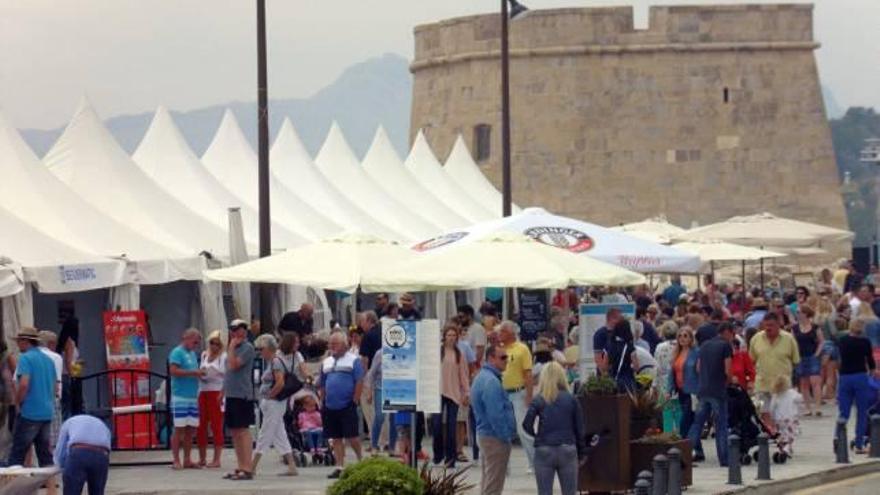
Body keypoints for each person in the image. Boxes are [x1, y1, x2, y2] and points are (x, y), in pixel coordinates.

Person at [522, 362, 586, 495]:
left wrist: (537, 436)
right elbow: (579, 429)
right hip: (567, 448)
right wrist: (582, 452)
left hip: (544, 449)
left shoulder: (539, 399)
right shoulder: (571, 399)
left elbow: (526, 424)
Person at [470, 345, 517, 495]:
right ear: (491, 358)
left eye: (507, 357)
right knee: (494, 486)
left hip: (486, 435)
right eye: (502, 357)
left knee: (489, 481)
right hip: (494, 438)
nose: (506, 361)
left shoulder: (483, 377)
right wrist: (505, 437)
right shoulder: (491, 382)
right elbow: (496, 415)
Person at [7, 327, 56, 467]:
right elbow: (54, 387)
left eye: (18, 341)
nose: (17, 345)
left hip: (30, 412)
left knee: (17, 455)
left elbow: (24, 384)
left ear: (25, 341)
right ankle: (51, 489)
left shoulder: (26, 358)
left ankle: (14, 489)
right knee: (45, 456)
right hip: (46, 412)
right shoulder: (48, 360)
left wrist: (17, 402)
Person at [318, 331, 364, 479]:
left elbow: (359, 381)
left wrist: (355, 399)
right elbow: (323, 382)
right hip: (330, 405)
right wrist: (322, 400)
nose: (332, 347)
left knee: (352, 436)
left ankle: (360, 460)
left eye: (335, 344)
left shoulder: (353, 360)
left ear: (345, 345)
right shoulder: (326, 362)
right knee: (336, 438)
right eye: (330, 344)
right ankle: (339, 466)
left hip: (347, 404)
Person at [251, 334, 298, 476]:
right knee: (279, 434)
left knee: (265, 433)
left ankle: (252, 466)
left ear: (267, 348)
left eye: (261, 348)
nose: (260, 352)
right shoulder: (273, 361)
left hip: (274, 403)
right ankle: (292, 466)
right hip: (273, 403)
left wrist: (270, 395)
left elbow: (280, 382)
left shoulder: (275, 361)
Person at [688, 322, 733, 466]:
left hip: (703, 390)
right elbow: (728, 370)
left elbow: (698, 367)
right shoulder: (725, 346)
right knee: (721, 425)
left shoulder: (705, 345)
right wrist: (729, 382)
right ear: (727, 332)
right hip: (718, 390)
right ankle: (724, 459)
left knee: (697, 424)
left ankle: (685, 453)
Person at [749, 313, 800, 430]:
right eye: (765, 325)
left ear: (778, 325)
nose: (768, 328)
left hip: (782, 385)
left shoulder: (789, 339)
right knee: (764, 412)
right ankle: (773, 433)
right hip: (762, 383)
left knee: (783, 416)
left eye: (771, 325)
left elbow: (796, 360)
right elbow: (751, 360)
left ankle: (783, 438)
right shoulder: (756, 339)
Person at [497, 320, 535, 472]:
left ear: (511, 333)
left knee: (523, 430)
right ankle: (504, 465)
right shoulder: (498, 350)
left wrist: (529, 395)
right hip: (501, 394)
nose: (499, 334)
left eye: (502, 332)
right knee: (502, 430)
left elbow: (528, 373)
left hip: (518, 393)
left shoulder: (522, 349)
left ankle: (533, 462)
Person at [836, 318, 878, 454]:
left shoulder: (842, 341)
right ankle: (859, 443)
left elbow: (839, 359)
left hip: (845, 377)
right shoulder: (865, 342)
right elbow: (870, 361)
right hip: (860, 376)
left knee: (844, 412)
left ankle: (838, 438)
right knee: (861, 412)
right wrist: (872, 373)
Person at [432, 325, 471, 468]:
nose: (451, 338)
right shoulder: (437, 351)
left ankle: (451, 458)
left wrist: (467, 392)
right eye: (449, 335)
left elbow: (464, 375)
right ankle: (438, 453)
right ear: (444, 336)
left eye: (454, 335)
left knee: (451, 426)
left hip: (454, 393)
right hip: (437, 392)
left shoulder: (459, 354)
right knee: (436, 425)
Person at [223, 320, 256, 481]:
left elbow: (234, 365)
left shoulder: (247, 348)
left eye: (239, 330)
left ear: (245, 331)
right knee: (234, 432)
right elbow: (227, 372)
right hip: (231, 394)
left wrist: (230, 348)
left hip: (242, 394)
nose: (236, 333)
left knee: (243, 430)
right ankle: (240, 465)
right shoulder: (233, 348)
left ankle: (248, 467)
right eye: (233, 330)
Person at [168, 328, 203, 470]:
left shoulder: (192, 354)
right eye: (195, 342)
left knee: (191, 429)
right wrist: (193, 372)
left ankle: (187, 459)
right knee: (179, 428)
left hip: (192, 395)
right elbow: (173, 371)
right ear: (187, 338)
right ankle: (176, 459)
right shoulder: (177, 352)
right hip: (180, 396)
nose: (196, 345)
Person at [54, 414, 111, 495]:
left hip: (78, 453)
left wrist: (62, 466)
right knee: (97, 491)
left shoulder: (68, 422)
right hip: (102, 454)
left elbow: (61, 450)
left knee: (72, 491)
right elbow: (108, 447)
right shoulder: (103, 425)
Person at [197, 330, 225, 468]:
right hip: (203, 391)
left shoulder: (223, 357)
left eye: (217, 344)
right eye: (212, 343)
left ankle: (217, 459)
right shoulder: (204, 354)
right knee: (201, 425)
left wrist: (223, 394)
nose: (214, 346)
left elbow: (225, 375)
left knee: (216, 425)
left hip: (216, 391)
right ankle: (202, 458)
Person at [669, 327, 699, 449]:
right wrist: (669, 389)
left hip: (692, 391)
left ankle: (682, 447)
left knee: (685, 421)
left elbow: (699, 372)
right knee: (690, 421)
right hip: (680, 390)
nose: (682, 338)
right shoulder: (676, 352)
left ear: (691, 338)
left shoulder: (696, 352)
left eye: (685, 336)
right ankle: (698, 450)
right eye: (680, 336)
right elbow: (672, 372)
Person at [792, 306, 824, 416]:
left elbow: (821, 341)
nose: (797, 314)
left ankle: (818, 407)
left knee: (815, 381)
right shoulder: (795, 328)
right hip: (800, 356)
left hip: (812, 355)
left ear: (806, 314)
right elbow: (793, 342)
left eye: (799, 312)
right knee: (803, 383)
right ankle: (807, 408)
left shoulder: (815, 327)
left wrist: (817, 353)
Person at [364, 349, 396, 454]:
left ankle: (392, 447)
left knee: (394, 418)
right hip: (380, 388)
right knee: (380, 416)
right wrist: (369, 391)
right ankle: (374, 445)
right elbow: (371, 373)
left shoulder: (403, 351)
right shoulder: (380, 353)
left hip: (395, 389)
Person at [38, 331, 63, 449]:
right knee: (53, 437)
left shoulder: (29, 356)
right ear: (51, 343)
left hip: (34, 400)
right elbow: (57, 381)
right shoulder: (56, 357)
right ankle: (51, 464)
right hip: (51, 399)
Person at [769, 375, 802, 457]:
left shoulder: (776, 395)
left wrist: (772, 417)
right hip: (791, 418)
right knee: (791, 434)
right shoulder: (792, 393)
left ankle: (783, 446)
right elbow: (800, 399)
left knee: (782, 434)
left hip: (779, 419)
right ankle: (787, 448)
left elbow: (771, 408)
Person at [57, 311, 81, 420]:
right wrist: (74, 376)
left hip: (65, 375)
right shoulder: (70, 342)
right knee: (69, 404)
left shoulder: (64, 340)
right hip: (68, 376)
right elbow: (68, 361)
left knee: (66, 404)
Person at [603, 319, 639, 392]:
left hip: (612, 382)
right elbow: (636, 367)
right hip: (627, 382)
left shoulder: (609, 345)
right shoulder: (630, 347)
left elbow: (604, 366)